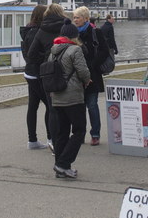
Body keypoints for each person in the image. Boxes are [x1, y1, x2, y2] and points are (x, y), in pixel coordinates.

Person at [47, 18, 91, 178]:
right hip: (72, 96)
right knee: (79, 131)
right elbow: (83, 71)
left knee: (62, 133)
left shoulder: (53, 51)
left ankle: (61, 167)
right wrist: (87, 80)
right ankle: (63, 164)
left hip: (57, 95)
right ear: (74, 36)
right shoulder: (75, 50)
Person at [27, 3, 68, 151]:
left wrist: (45, 59)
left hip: (42, 73)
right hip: (61, 72)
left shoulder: (40, 30)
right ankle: (59, 139)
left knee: (44, 107)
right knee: (61, 107)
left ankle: (46, 141)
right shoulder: (65, 28)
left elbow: (31, 54)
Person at [72, 6, 110, 146]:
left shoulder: (95, 32)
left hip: (93, 74)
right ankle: (79, 134)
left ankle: (95, 134)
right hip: (77, 75)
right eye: (74, 17)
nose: (75, 20)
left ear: (86, 18)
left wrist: (93, 64)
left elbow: (105, 50)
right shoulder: (73, 34)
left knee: (92, 105)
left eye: (78, 17)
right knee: (79, 107)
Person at [20, 4, 50, 150]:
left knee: (33, 106)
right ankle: (51, 138)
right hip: (37, 73)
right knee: (50, 106)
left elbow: (27, 53)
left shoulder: (28, 31)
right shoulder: (37, 33)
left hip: (30, 72)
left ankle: (32, 139)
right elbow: (35, 54)